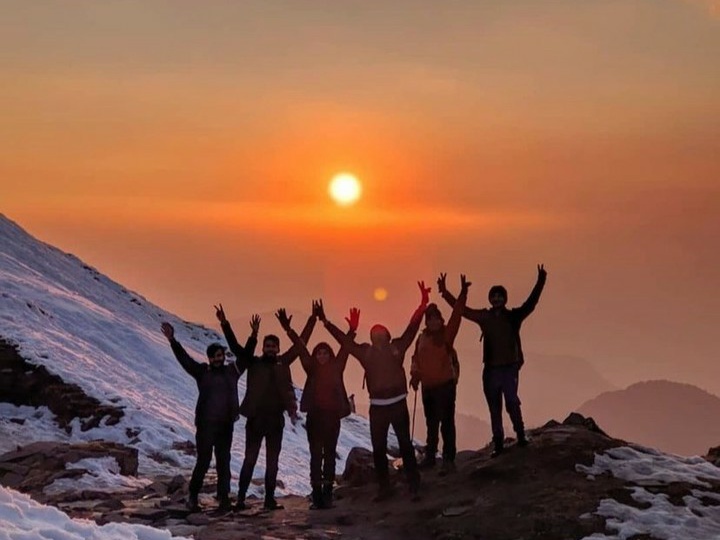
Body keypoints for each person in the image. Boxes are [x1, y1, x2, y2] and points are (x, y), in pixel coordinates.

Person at [321, 282, 430, 501]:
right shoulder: (382, 349)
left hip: (392, 405)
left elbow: (412, 326)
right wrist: (325, 322)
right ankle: (395, 486)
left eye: (380, 333)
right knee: (382, 448)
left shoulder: (382, 349)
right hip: (384, 406)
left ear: (387, 336)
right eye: (375, 333)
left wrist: (423, 305)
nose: (378, 335)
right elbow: (345, 341)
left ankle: (407, 483)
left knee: (399, 445)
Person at [439, 265, 547, 457]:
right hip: (491, 370)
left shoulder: (513, 317)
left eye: (499, 296)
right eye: (494, 296)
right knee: (495, 408)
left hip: (508, 369)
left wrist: (540, 281)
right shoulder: (485, 317)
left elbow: (531, 303)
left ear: (504, 299)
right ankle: (499, 444)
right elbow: (462, 311)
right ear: (490, 299)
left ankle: (520, 435)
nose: (496, 298)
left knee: (511, 402)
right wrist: (445, 292)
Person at [217, 304, 316, 511]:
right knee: (250, 459)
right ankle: (241, 498)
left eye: (273, 346)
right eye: (267, 346)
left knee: (273, 461)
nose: (271, 349)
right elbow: (236, 348)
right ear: (263, 348)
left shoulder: (283, 362)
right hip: (255, 419)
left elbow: (301, 345)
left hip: (275, 420)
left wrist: (311, 320)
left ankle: (269, 500)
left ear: (278, 348)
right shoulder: (253, 363)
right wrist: (225, 323)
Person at [160, 319, 254, 512]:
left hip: (226, 425)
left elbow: (245, 358)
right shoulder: (202, 372)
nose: (220, 359)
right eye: (216, 357)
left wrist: (252, 336)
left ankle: (223, 496)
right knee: (203, 461)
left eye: (221, 356)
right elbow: (185, 360)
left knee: (224, 461)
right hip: (206, 425)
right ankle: (193, 496)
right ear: (210, 358)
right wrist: (172, 341)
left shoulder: (232, 372)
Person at [276, 302, 358, 509]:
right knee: (315, 455)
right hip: (315, 417)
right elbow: (301, 348)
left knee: (329, 454)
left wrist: (349, 329)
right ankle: (317, 493)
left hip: (331, 418)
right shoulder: (311, 369)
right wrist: (289, 329)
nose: (321, 356)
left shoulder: (337, 367)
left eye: (325, 353)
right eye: (319, 353)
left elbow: (346, 347)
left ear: (330, 355)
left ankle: (327, 493)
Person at [409, 274, 470, 474]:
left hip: (445, 385)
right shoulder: (422, 338)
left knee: (446, 422)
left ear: (440, 320)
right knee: (431, 423)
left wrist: (462, 294)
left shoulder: (446, 335)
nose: (433, 322)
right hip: (428, 386)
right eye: (430, 319)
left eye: (436, 319)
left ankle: (448, 459)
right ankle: (431, 456)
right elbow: (415, 358)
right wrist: (415, 375)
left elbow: (457, 316)